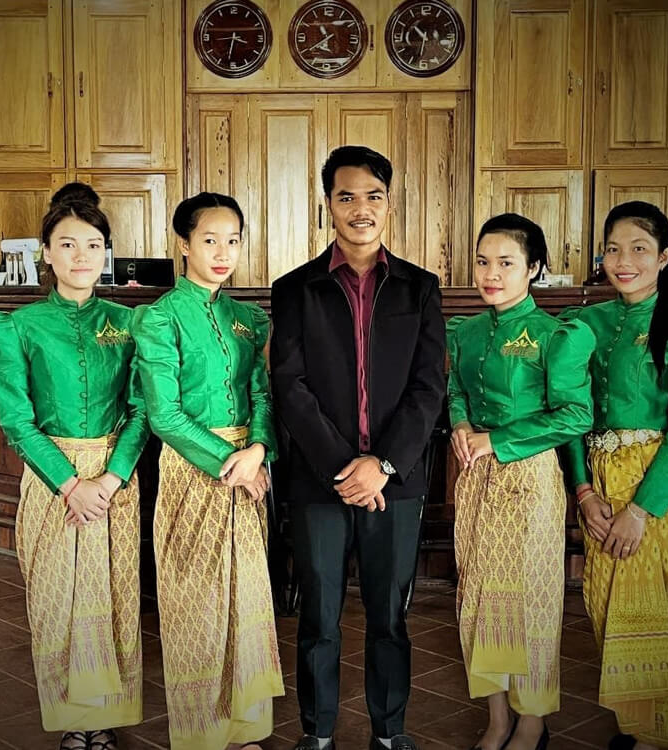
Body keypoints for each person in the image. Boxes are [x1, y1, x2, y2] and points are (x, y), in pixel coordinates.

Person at [270, 145, 447, 750]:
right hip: (320, 481)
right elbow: (289, 386)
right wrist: (345, 467)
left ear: (390, 205)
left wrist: (383, 464)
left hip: (396, 482)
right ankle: (317, 733)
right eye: (346, 197)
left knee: (389, 617)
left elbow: (429, 388)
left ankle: (389, 732)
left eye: (373, 196)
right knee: (318, 616)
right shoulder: (294, 289)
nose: (360, 208)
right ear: (329, 205)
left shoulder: (420, 288)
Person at [0, 183, 148, 750]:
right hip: (53, 482)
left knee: (113, 600)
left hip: (114, 481)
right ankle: (71, 718)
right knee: (58, 601)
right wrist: (70, 484)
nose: (82, 256)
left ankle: (104, 718)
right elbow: (16, 420)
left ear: (107, 253)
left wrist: (110, 478)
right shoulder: (15, 327)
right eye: (68, 245)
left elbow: (141, 410)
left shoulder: (130, 324)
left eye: (93, 245)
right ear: (47, 253)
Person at [562, 201, 668, 750]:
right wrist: (583, 491)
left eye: (638, 249)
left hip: (658, 494)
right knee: (609, 606)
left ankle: (667, 737)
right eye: (613, 249)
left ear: (664, 257)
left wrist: (640, 511)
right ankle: (636, 727)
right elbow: (572, 416)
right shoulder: (587, 325)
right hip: (600, 485)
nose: (623, 261)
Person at [132, 192, 283, 750]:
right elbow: (164, 415)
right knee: (195, 603)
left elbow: (262, 393)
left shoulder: (248, 319)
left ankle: (244, 729)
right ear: (184, 245)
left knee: (246, 599)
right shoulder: (160, 317)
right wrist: (230, 462)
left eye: (233, 241)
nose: (223, 253)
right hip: (194, 474)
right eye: (210, 240)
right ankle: (201, 734)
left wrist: (259, 449)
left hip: (251, 472)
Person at [447, 214, 594, 750]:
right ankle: (497, 718)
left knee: (530, 602)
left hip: (529, 481)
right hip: (475, 479)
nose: (491, 274)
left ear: (534, 269)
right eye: (483, 262)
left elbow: (575, 414)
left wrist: (498, 441)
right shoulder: (465, 332)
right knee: (478, 599)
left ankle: (532, 721)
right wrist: (461, 423)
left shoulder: (557, 335)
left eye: (506, 263)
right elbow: (455, 389)